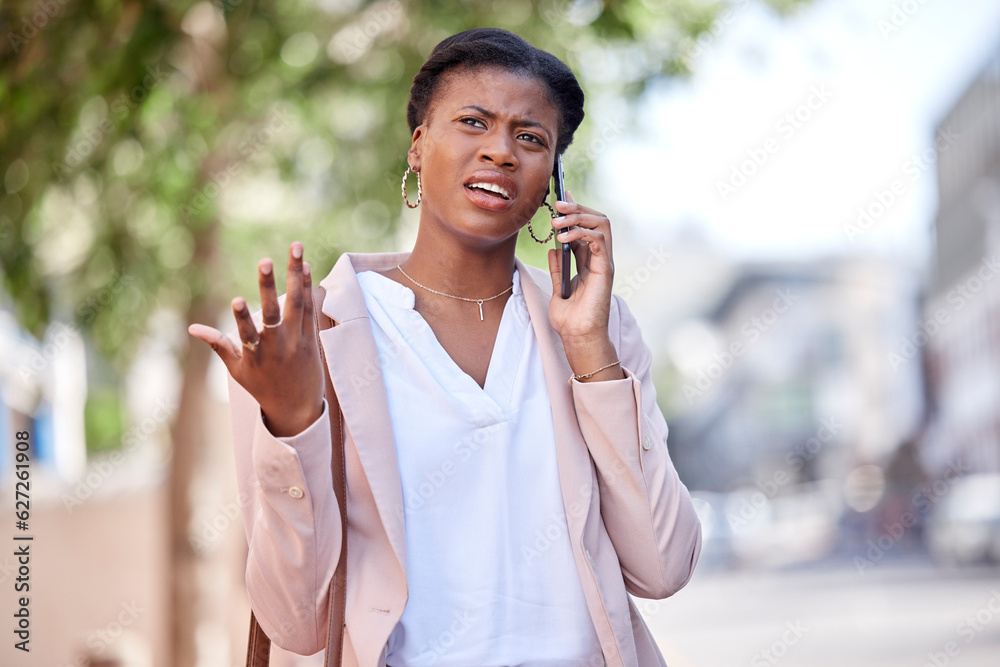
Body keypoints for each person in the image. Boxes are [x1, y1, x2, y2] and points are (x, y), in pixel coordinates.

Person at [188, 27, 701, 667]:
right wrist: (294, 423)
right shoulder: (308, 340)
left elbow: (664, 567)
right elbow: (296, 623)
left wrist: (592, 354)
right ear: (418, 145)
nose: (501, 152)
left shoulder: (599, 329)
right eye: (473, 122)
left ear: (553, 180)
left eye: (532, 138)